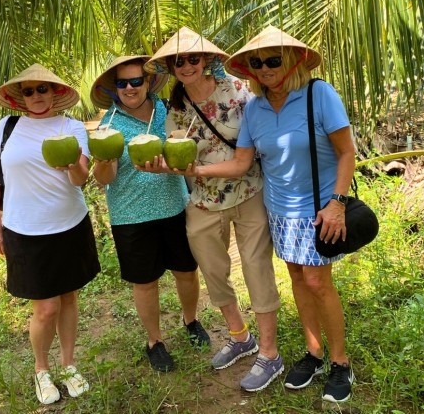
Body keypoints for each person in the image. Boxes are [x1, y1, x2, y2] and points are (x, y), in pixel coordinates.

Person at [188, 26, 358, 403]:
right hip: (279, 210)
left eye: (272, 60)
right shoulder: (255, 108)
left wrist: (337, 203)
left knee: (318, 282)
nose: (263, 68)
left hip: (319, 209)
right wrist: (192, 171)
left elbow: (347, 152)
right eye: (256, 63)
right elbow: (241, 163)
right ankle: (314, 352)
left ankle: (340, 361)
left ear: (294, 60)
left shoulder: (319, 94)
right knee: (297, 278)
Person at [143, 27, 282, 392]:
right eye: (178, 61)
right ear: (171, 67)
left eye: (192, 58)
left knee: (256, 269)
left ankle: (269, 352)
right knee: (214, 272)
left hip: (248, 192)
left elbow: (244, 158)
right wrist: (160, 164)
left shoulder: (238, 92)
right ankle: (240, 336)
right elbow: (175, 154)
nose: (186, 65)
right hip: (203, 201)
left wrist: (194, 169)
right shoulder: (174, 108)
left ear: (206, 60)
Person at [0, 63, 100, 405]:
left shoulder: (72, 127)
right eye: (29, 91)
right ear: (21, 96)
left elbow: (82, 179)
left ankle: (68, 365)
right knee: (45, 308)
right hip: (24, 229)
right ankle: (41, 369)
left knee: (68, 299)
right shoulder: (6, 127)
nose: (36, 96)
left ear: (56, 93)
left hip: (69, 225)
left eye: (43, 89)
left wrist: (71, 166)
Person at [90, 55, 210, 373]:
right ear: (114, 88)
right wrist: (103, 160)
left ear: (148, 82)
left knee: (186, 270)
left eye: (136, 80)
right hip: (131, 215)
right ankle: (155, 341)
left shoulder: (168, 111)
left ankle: (191, 320)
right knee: (145, 282)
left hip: (174, 205)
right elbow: (104, 179)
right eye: (122, 83)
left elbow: (184, 147)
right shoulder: (109, 126)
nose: (130, 88)